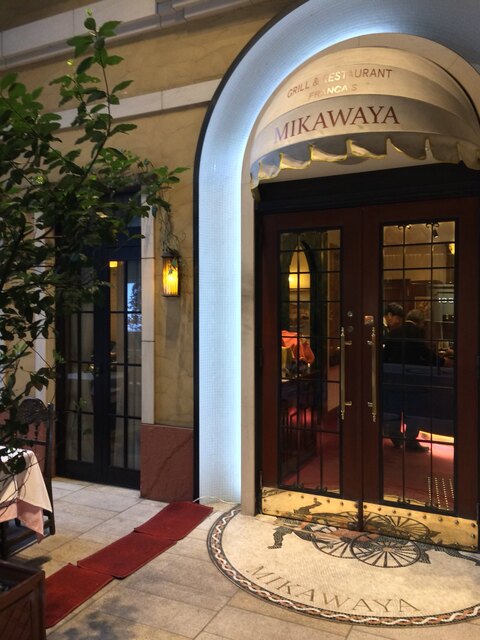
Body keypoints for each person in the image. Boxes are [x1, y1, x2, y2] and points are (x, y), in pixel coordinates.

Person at [383, 308, 452, 452]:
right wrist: (442, 362)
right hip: (413, 376)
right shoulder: (417, 332)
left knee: (395, 405)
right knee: (415, 408)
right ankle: (411, 439)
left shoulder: (394, 332)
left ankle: (395, 435)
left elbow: (385, 355)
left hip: (393, 375)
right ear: (421, 322)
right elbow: (424, 354)